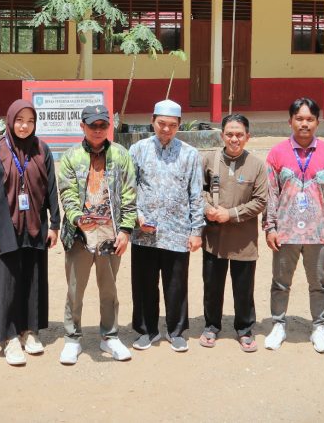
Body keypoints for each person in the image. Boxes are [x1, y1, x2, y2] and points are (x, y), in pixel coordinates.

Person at [0, 99, 60, 366]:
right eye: (19, 120)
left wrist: (55, 224)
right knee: (8, 285)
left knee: (33, 280)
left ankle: (30, 331)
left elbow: (51, 190)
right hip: (6, 230)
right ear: (10, 120)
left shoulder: (42, 150)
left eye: (30, 121)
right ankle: (10, 337)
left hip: (35, 227)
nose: (24, 126)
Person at [57, 104, 137, 365]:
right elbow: (67, 193)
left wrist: (125, 229)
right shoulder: (70, 157)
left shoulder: (121, 156)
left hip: (111, 236)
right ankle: (72, 338)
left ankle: (110, 335)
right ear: (82, 126)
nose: (98, 130)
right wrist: (77, 218)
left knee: (109, 288)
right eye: (93, 125)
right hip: (79, 236)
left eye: (103, 125)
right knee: (75, 289)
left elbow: (129, 194)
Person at [263, 97, 324, 354]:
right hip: (285, 233)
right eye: (299, 118)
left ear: (318, 122)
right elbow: (270, 193)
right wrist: (270, 227)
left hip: (318, 233)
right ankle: (278, 324)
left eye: (310, 119)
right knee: (280, 282)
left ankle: (319, 327)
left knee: (318, 283)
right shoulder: (277, 152)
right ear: (290, 121)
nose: (305, 124)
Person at [128, 99, 204, 353]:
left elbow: (196, 194)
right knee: (143, 284)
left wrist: (196, 231)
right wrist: (136, 217)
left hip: (177, 231)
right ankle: (146, 331)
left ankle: (176, 331)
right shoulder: (137, 150)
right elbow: (128, 188)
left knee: (176, 284)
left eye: (172, 125)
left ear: (179, 125)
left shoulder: (190, 154)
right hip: (144, 232)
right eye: (161, 124)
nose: (166, 129)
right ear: (152, 121)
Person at [199, 113, 268, 352]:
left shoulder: (257, 165)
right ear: (222, 135)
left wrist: (231, 214)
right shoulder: (209, 159)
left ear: (247, 137)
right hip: (214, 237)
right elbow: (198, 189)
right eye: (229, 134)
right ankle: (211, 326)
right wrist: (207, 208)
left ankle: (244, 328)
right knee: (212, 285)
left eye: (239, 134)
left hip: (243, 240)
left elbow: (260, 201)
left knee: (243, 287)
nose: (234, 139)